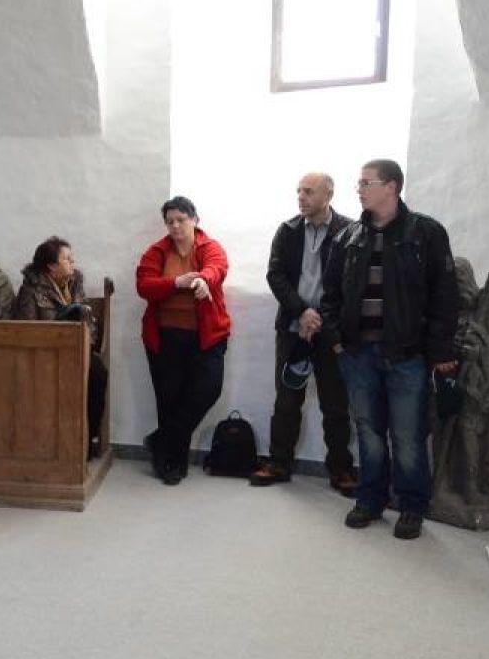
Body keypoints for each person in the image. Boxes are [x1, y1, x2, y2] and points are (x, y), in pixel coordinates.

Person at [320, 159, 459, 540]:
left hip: (407, 353)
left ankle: (412, 506)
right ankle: (370, 499)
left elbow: (445, 295)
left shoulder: (426, 233)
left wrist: (440, 350)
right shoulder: (348, 237)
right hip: (357, 354)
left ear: (392, 187)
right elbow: (329, 294)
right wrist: (335, 339)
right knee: (368, 431)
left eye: (367, 183)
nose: (359, 189)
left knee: (408, 435)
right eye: (359, 183)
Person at [251, 173, 356, 495]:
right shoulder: (288, 230)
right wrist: (302, 312)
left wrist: (321, 316)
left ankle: (341, 469)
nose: (301, 197)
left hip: (330, 330)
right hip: (293, 329)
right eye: (299, 191)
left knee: (335, 403)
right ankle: (279, 463)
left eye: (309, 191)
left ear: (328, 194)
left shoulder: (349, 231)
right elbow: (275, 275)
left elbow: (351, 282)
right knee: (286, 400)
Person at [136, 197, 231, 485]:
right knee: (169, 399)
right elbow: (144, 285)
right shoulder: (157, 251)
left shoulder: (210, 247)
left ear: (194, 220)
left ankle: (160, 440)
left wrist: (203, 280)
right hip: (165, 337)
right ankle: (172, 463)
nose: (176, 226)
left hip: (206, 336)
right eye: (170, 221)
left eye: (181, 219)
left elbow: (217, 268)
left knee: (209, 389)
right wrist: (176, 283)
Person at [14, 236, 107, 457]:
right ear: (51, 266)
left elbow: (90, 322)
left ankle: (87, 437)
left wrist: (87, 343)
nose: (73, 262)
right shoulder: (30, 290)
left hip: (78, 350)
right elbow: (27, 330)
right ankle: (50, 443)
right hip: (46, 355)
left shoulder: (75, 283)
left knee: (98, 372)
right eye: (67, 259)